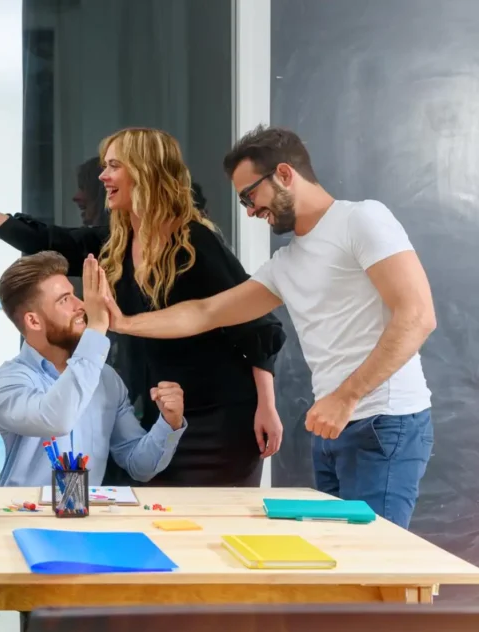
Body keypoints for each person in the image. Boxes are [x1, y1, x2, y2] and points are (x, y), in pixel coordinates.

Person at [106, 124, 437, 530]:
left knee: (374, 565)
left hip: (384, 421)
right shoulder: (288, 263)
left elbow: (418, 316)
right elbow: (205, 313)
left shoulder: (362, 220)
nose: (248, 210)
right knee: (339, 561)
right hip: (332, 427)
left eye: (250, 196)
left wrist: (346, 397)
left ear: (284, 174)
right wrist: (123, 322)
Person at [0, 129, 286, 489]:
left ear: (145, 172)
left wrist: (267, 406)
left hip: (222, 418)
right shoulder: (114, 244)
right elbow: (39, 238)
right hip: (164, 414)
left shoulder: (196, 243)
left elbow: (257, 324)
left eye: (114, 166)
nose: (103, 176)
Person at [0, 251, 187, 486]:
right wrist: (98, 327)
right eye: (64, 300)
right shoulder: (6, 385)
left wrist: (169, 422)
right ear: (33, 321)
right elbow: (57, 419)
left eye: (74, 295)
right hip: (23, 518)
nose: (80, 305)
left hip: (85, 519)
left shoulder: (105, 379)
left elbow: (138, 465)